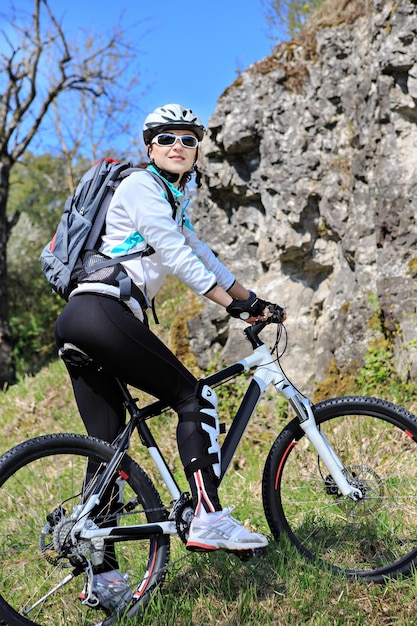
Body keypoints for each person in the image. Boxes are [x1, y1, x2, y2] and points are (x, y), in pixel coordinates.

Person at [54, 103, 281, 611]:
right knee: (193, 395)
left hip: (80, 322)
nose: (177, 145)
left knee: (106, 451)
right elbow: (174, 255)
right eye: (165, 138)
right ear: (149, 148)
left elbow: (198, 251)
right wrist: (232, 308)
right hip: (100, 312)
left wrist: (252, 300)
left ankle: (104, 576)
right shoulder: (139, 187)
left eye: (187, 138)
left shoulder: (172, 199)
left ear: (197, 149)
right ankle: (207, 515)